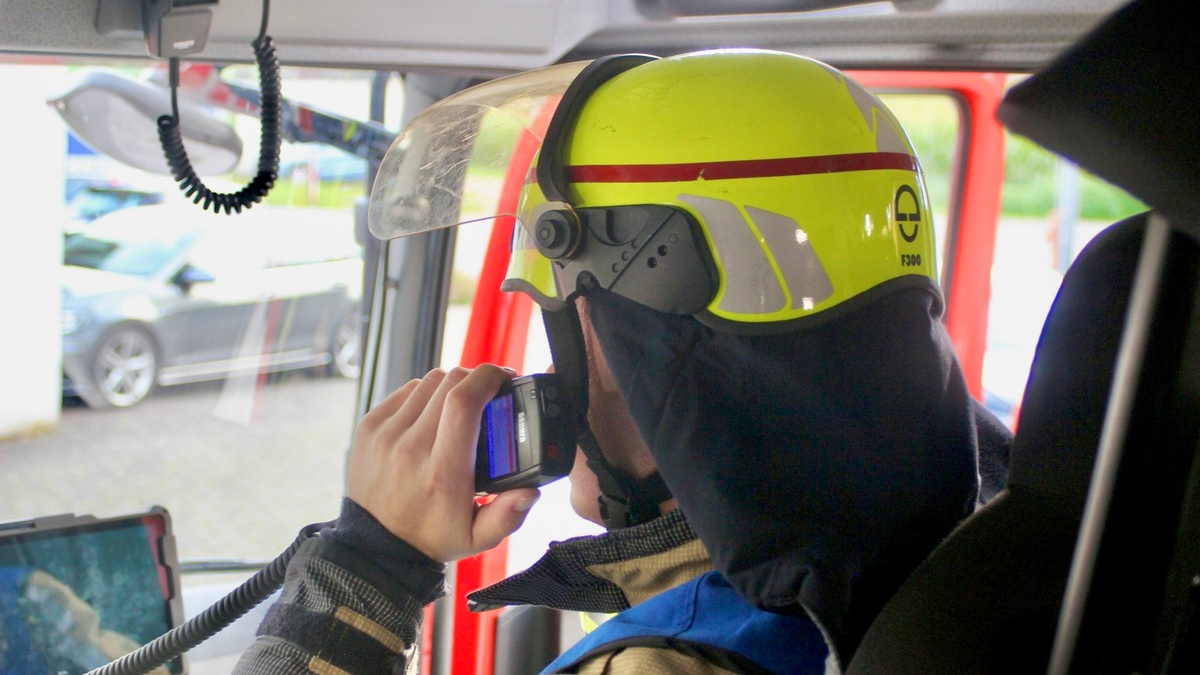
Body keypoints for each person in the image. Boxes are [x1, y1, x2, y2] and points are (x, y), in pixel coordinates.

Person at [233, 49, 1010, 675]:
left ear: (644, 336)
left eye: (564, 321)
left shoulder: (659, 666)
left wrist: (371, 568)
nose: (547, 369)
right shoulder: (982, 527)